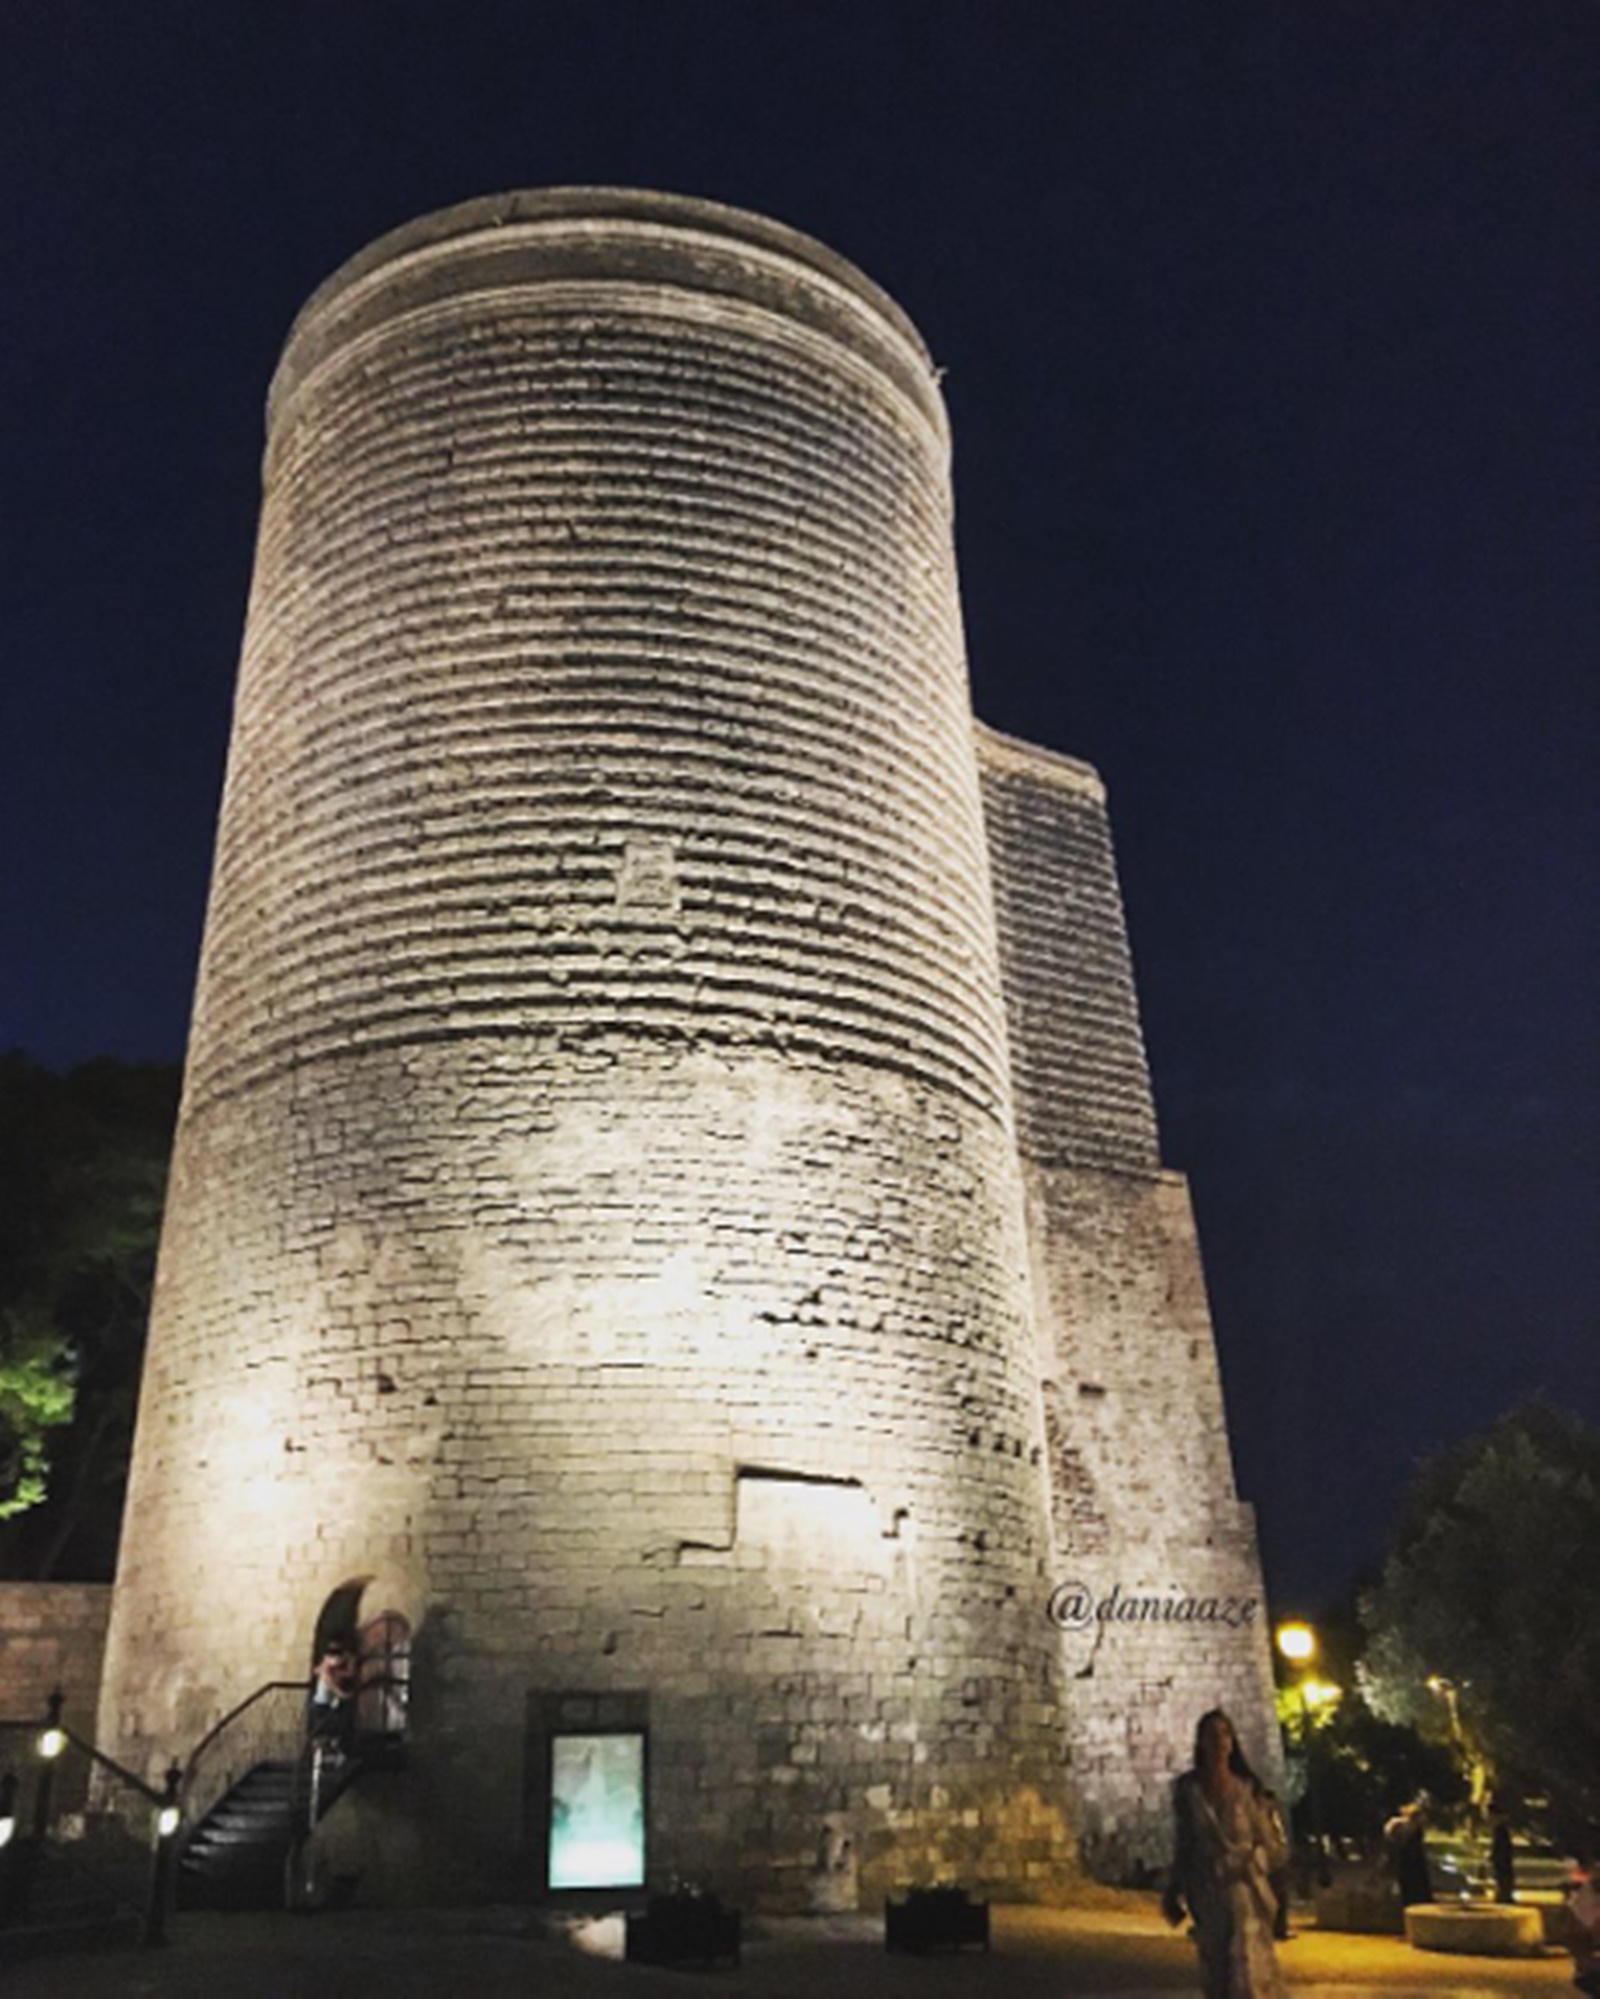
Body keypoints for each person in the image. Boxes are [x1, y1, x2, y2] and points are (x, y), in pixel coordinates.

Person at [1163, 1709, 1289, 1999]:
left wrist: (1252, 1863)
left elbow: (1272, 1845)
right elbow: (1185, 1844)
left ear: (1232, 1742)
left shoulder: (1249, 1790)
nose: (1218, 1741)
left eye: (1224, 1734)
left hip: (1245, 1892)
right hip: (1207, 1893)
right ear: (1200, 1743)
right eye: (1211, 1735)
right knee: (1216, 1973)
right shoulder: (1188, 1791)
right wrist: (1174, 1890)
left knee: (1246, 1972)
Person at [308, 1637, 357, 1755]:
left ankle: (334, 1750)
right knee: (325, 1732)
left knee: (338, 1728)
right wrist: (344, 1695)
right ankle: (324, 1752)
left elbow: (349, 1674)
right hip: (321, 1706)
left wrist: (351, 1661)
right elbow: (332, 1686)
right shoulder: (326, 1670)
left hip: (329, 1705)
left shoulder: (333, 1670)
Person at [1382, 1799, 1433, 1907]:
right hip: (1410, 1866)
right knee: (1415, 1891)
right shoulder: (1407, 1828)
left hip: (1408, 1865)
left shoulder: (1413, 1829)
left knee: (1411, 1891)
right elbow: (1406, 1849)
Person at [1490, 1802, 1516, 1904]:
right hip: (1503, 1863)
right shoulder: (1501, 1830)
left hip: (1502, 1863)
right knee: (1502, 1879)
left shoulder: (1501, 1831)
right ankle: (1504, 1895)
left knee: (1503, 1879)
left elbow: (1502, 1849)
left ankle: (1504, 1896)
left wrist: (1495, 1857)